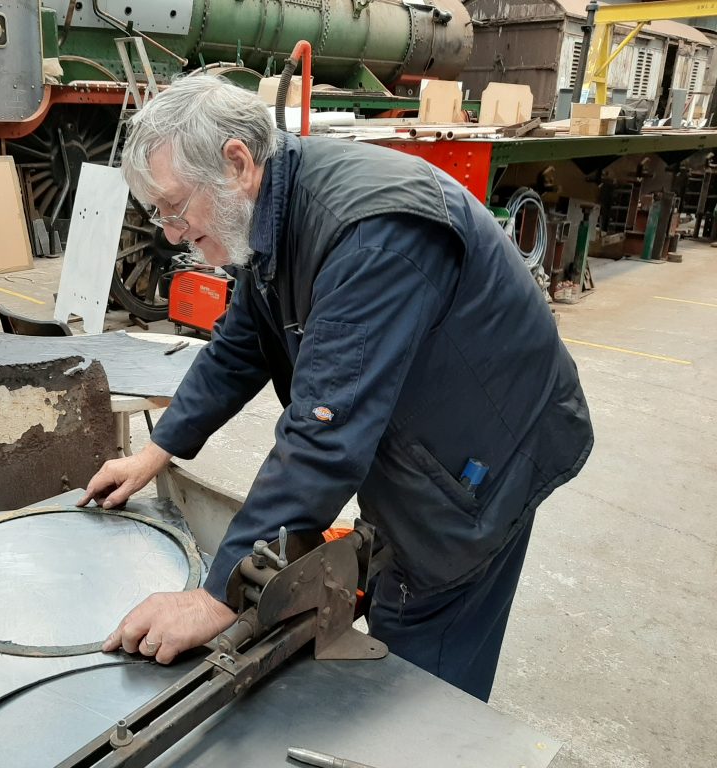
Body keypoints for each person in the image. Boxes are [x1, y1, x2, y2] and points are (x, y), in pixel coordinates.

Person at [77, 75, 593, 701]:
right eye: (158, 213)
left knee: (417, 649)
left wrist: (216, 597)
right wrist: (158, 450)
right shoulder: (272, 210)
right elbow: (242, 343)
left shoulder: (368, 235)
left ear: (237, 162)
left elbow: (325, 434)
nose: (171, 233)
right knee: (387, 586)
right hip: (427, 432)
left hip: (485, 460)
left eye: (176, 207)